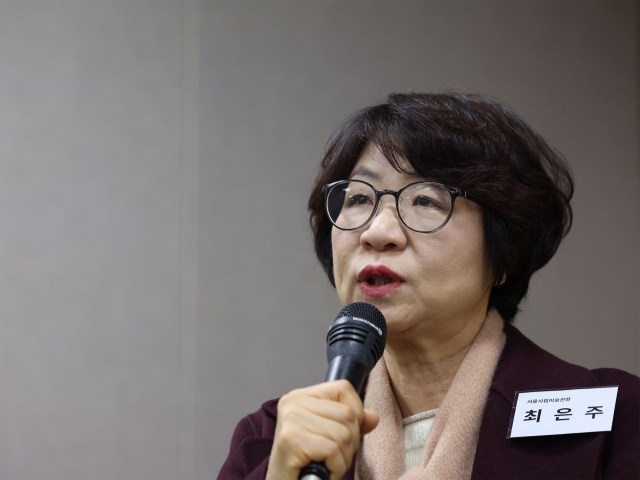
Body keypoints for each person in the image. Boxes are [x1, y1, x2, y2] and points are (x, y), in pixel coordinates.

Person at [219, 93, 639, 479]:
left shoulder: (616, 421)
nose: (377, 231)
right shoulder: (272, 443)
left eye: (424, 200)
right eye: (359, 198)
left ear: (504, 252)